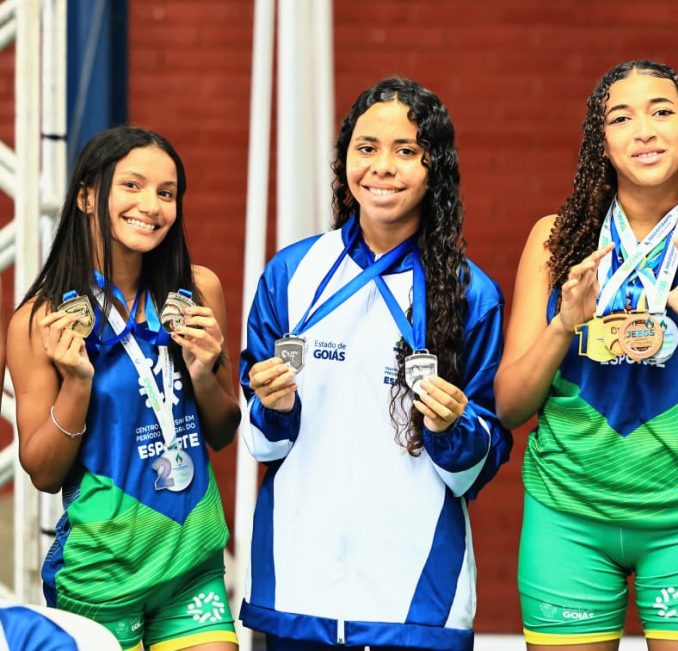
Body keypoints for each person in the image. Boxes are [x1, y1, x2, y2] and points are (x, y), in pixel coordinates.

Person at [496, 60, 678, 650]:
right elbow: (510, 404)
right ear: (601, 141)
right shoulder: (554, 241)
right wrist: (563, 325)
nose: (643, 130)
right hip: (567, 511)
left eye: (661, 111)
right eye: (621, 118)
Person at [239, 77, 511, 651]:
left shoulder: (468, 294)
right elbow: (263, 447)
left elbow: (476, 470)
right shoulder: (292, 275)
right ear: (344, 161)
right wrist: (273, 408)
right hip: (297, 591)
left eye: (406, 151)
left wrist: (451, 428)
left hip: (417, 601)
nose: (382, 166)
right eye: (366, 148)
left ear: (434, 167)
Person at [7, 126, 240, 650]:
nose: (150, 206)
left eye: (166, 193)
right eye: (132, 186)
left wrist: (204, 374)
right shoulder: (40, 320)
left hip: (191, 561)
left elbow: (224, 429)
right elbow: (42, 472)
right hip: (101, 574)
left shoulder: (198, 290)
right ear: (88, 195)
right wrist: (76, 383)